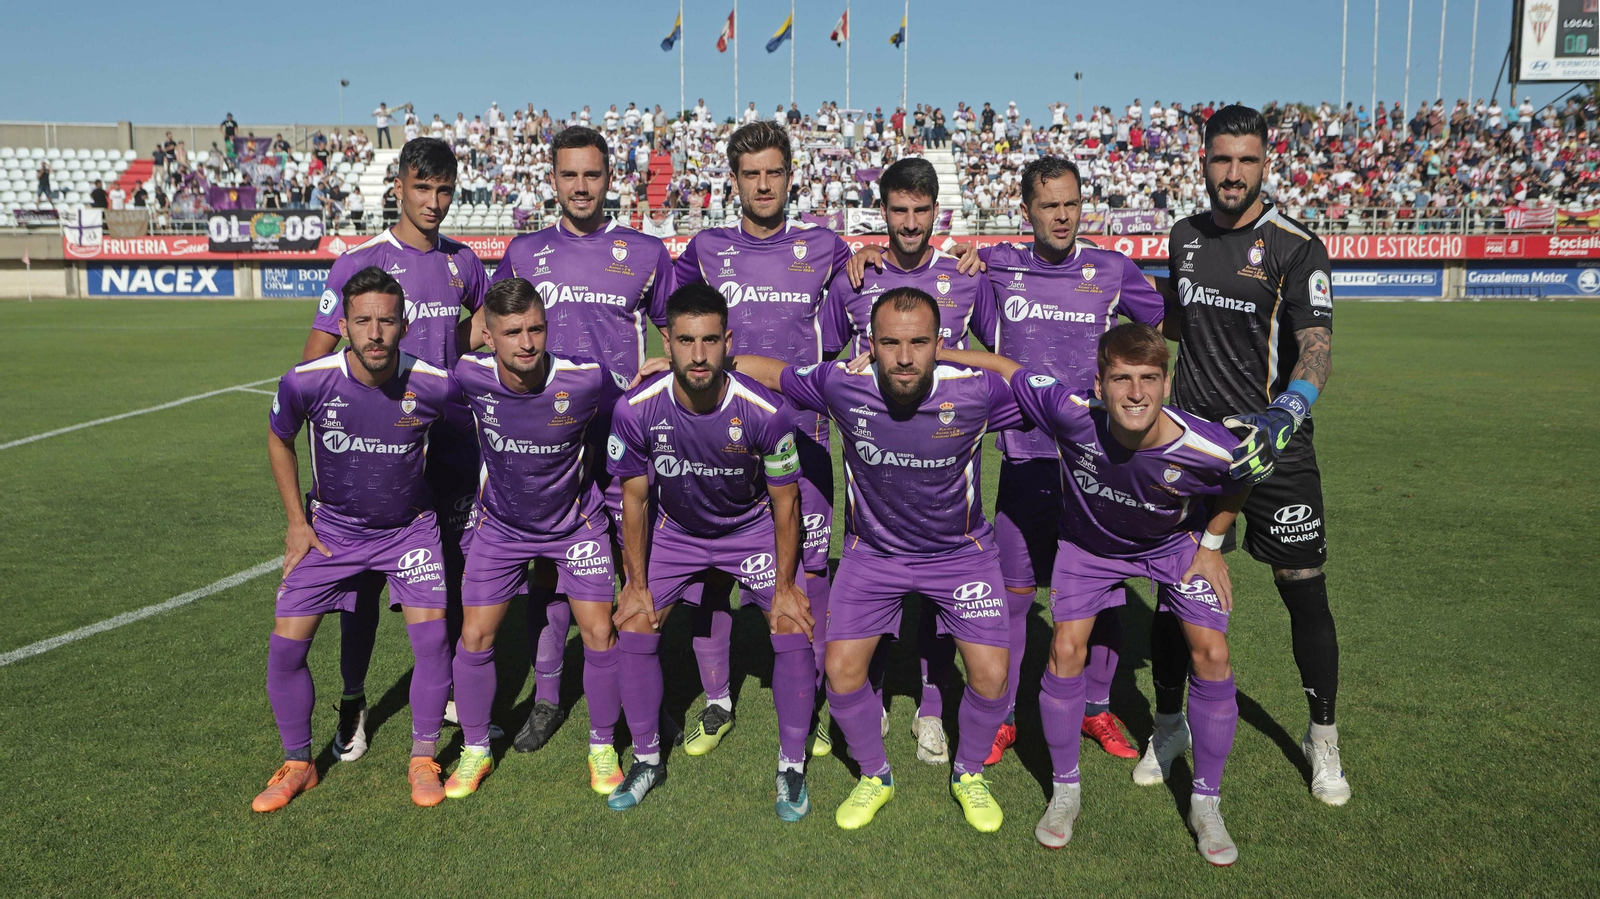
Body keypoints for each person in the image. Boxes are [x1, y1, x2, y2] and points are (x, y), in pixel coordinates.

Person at [940, 323, 1257, 864]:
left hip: (1171, 546)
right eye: (1122, 379)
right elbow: (1005, 367)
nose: (1136, 393)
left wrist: (1211, 543)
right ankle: (1066, 791)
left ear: (1166, 382)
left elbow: (1241, 475)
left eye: (1149, 379)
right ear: (1099, 384)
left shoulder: (1205, 442)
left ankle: (1206, 802)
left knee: (1214, 652)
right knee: (1065, 649)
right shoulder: (1070, 413)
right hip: (1088, 549)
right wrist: (931, 352)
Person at [732, 288, 1026, 833]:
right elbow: (777, 374)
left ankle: (967, 775)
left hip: (959, 554)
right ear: (871, 343)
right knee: (842, 675)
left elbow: (1018, 375)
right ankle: (875, 775)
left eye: (920, 343)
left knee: (990, 677)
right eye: (890, 343)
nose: (906, 357)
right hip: (874, 556)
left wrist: (954, 356)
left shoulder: (974, 391)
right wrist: (701, 363)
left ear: (939, 343)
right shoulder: (844, 384)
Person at [1155, 104, 1351, 806]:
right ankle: (1169, 720)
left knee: (1303, 584)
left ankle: (1321, 737)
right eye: (1221, 160)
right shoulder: (1183, 236)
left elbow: (1317, 348)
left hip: (1275, 447)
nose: (1232, 173)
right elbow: (1175, 319)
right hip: (1195, 447)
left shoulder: (1298, 246)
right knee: (1177, 584)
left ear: (1266, 163)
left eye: (1246, 160)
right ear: (1203, 161)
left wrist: (1286, 413)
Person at [972, 156, 1167, 768]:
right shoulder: (999, 266)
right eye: (1050, 204)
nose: (1062, 215)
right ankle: (1003, 715)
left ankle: (1095, 708)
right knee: (1015, 594)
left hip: (1098, 464)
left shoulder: (1112, 270)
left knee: (1103, 594)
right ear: (1026, 209)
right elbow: (965, 312)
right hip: (1026, 458)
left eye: (1072, 204)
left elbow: (1157, 321)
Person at [299, 137, 489, 762]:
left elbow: (468, 342)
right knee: (360, 590)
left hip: (450, 450)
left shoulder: (465, 264)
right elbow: (314, 363)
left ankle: (450, 686)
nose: (434, 203)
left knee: (450, 575)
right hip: (380, 451)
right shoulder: (360, 262)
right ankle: (353, 698)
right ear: (399, 188)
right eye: (422, 189)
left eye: (444, 191)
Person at [669, 121, 853, 758]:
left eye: (774, 172)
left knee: (813, 572)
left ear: (791, 175)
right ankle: (717, 700)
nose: (764, 184)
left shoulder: (827, 248)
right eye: (752, 174)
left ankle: (822, 698)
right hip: (715, 441)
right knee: (711, 576)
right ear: (735, 181)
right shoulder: (704, 248)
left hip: (802, 438)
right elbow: (671, 320)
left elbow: (876, 290)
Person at [489, 126, 676, 753]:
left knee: (635, 567)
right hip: (543, 446)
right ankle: (547, 698)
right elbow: (492, 331)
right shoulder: (522, 252)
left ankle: (644, 694)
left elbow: (680, 326)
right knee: (549, 575)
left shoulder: (645, 253)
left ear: (608, 178)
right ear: (553, 180)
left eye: (592, 175)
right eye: (569, 175)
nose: (580, 186)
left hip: (621, 438)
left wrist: (666, 362)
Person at [607, 284, 812, 817]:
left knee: (792, 624)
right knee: (634, 622)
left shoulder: (766, 410)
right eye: (685, 340)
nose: (698, 355)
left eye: (710, 340)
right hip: (676, 532)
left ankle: (791, 766)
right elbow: (634, 501)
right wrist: (635, 582)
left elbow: (785, 504)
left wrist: (786, 588)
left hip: (750, 530)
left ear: (728, 341)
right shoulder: (634, 409)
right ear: (666, 341)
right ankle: (648, 758)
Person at [257, 266, 458, 812]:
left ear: (405, 325)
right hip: (330, 534)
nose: (375, 333)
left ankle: (423, 757)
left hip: (409, 531)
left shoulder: (437, 385)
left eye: (386, 321)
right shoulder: (307, 380)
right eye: (363, 321)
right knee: (285, 649)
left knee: (433, 643)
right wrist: (298, 522)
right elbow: (279, 438)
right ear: (342, 324)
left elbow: (484, 427)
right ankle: (299, 764)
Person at [821, 156, 994, 766]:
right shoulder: (855, 275)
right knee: (871, 575)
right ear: (884, 212)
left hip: (944, 452)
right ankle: (858, 698)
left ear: (936, 212)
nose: (911, 222)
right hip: (872, 455)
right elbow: (827, 355)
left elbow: (995, 356)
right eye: (899, 210)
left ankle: (928, 706)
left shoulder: (968, 276)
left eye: (922, 211)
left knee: (937, 586)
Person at [447, 277, 630, 799]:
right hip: (501, 527)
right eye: (512, 332)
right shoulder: (467, 375)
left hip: (575, 525)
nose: (526, 343)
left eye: (535, 329)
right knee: (476, 637)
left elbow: (632, 414)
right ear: (489, 334)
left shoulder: (586, 380)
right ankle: (475, 750)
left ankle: (601, 746)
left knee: (599, 633)